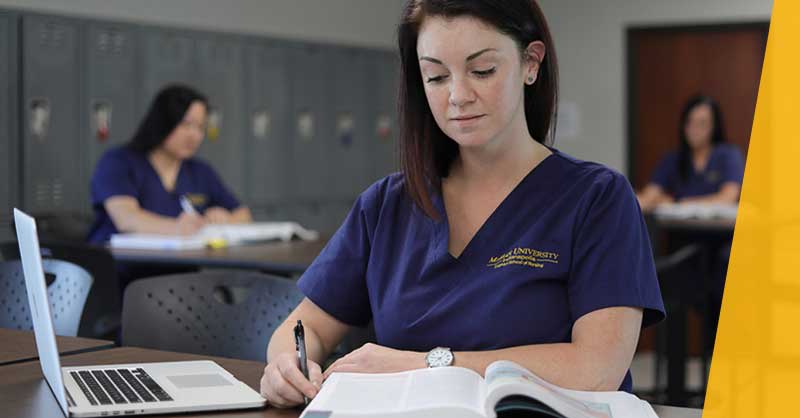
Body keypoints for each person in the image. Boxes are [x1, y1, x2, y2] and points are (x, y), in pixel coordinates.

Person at [260, 0, 664, 407]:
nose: (458, 96)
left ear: (531, 63)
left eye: (482, 70)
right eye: (436, 76)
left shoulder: (597, 198)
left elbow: (596, 370)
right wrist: (285, 366)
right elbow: (303, 327)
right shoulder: (387, 205)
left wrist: (428, 365)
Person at [87, 84, 252, 246]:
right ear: (163, 122)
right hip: (124, 268)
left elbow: (244, 215)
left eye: (201, 127)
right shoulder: (118, 162)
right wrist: (178, 228)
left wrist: (225, 219)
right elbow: (127, 219)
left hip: (179, 268)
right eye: (186, 124)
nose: (195, 135)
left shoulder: (200, 171)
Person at [637, 95, 745, 212]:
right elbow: (648, 197)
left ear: (714, 127)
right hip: (679, 229)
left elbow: (728, 199)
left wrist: (677, 203)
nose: (695, 129)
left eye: (702, 123)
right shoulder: (673, 159)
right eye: (690, 122)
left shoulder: (728, 155)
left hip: (719, 229)